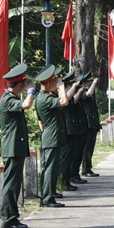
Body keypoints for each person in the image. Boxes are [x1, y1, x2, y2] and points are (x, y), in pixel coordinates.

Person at [0, 64, 35, 228]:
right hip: (12, 148)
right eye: (24, 85)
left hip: (16, 147)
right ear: (20, 86)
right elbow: (27, 105)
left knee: (14, 184)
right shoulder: (8, 100)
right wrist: (31, 91)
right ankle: (8, 217)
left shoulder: (11, 98)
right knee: (11, 184)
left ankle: (12, 215)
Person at [35, 65, 73, 208]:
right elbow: (64, 102)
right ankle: (47, 198)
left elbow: (40, 121)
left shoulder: (44, 97)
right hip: (51, 137)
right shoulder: (44, 99)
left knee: (50, 168)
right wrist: (61, 88)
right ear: (50, 83)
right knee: (50, 169)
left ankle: (48, 196)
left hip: (50, 135)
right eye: (54, 82)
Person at [59, 71, 86, 190]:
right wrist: (75, 87)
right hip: (67, 129)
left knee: (71, 156)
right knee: (66, 158)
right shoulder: (62, 96)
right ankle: (64, 180)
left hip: (73, 128)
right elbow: (69, 99)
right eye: (71, 85)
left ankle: (68, 178)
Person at [80, 72, 101, 178]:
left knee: (90, 147)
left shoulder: (90, 92)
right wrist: (93, 83)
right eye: (91, 81)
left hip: (92, 123)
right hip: (87, 124)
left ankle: (88, 167)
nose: (93, 83)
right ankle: (85, 169)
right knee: (87, 148)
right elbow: (88, 94)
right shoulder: (83, 92)